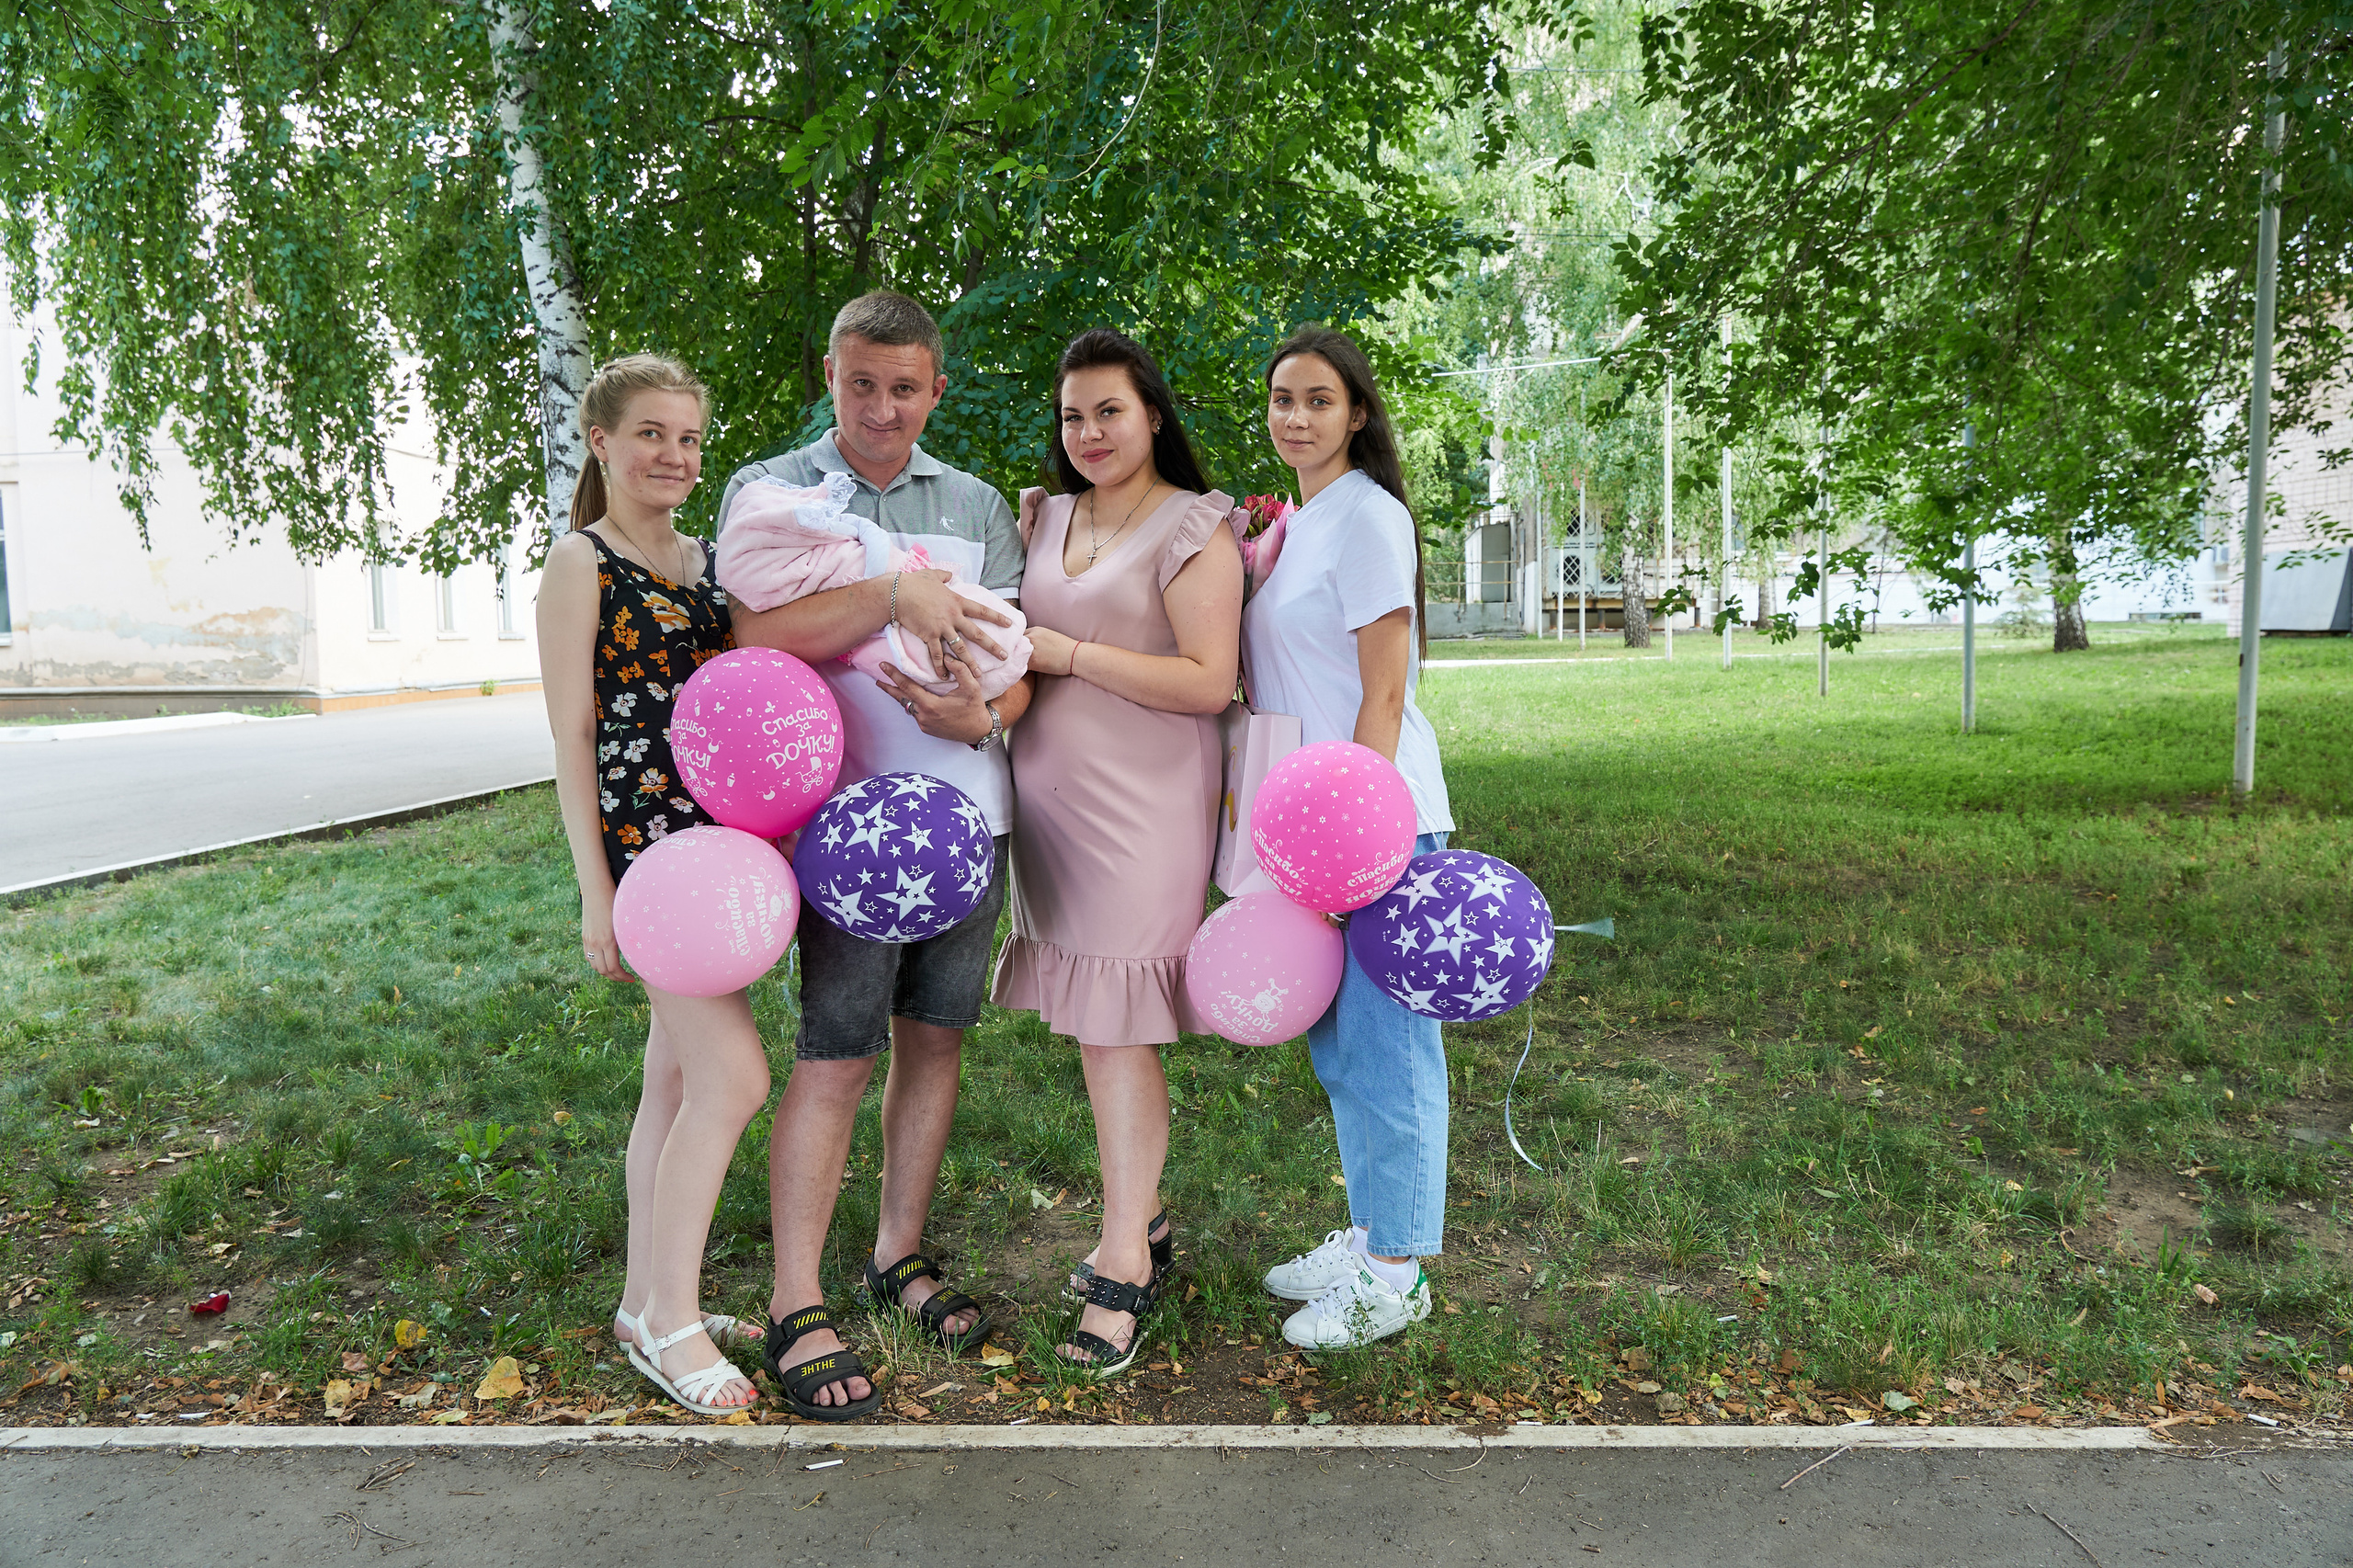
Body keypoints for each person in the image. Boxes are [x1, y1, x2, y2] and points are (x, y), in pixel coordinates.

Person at [721, 290, 1030, 1419]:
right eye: (861, 383)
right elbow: (752, 635)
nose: (882, 407)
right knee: (835, 1052)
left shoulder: (983, 506)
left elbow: (1019, 654)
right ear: (830, 372)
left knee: (934, 1041)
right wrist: (893, 592)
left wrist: (985, 719)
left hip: (968, 821)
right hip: (845, 836)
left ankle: (896, 1253)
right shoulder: (773, 491)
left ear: (934, 388)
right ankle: (794, 1299)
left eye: (905, 387)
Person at [990, 329, 1242, 1376]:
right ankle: (1142, 1217)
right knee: (1094, 1025)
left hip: (1146, 805)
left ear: (1152, 415)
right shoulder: (1044, 516)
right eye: (1071, 415)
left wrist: (1070, 653)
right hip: (1051, 799)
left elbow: (1206, 680)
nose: (1087, 432)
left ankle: (1126, 1255)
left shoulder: (1194, 526)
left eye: (1109, 411)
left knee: (1115, 1030)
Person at [537, 353, 764, 1415]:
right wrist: (598, 891)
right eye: (651, 436)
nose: (673, 455)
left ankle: (644, 1298)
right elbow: (572, 735)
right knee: (733, 1077)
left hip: (720, 849)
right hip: (648, 859)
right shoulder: (580, 561)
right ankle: (669, 1322)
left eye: (687, 438)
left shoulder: (712, 559)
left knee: (672, 1084)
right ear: (602, 442)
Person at [1242, 325, 1457, 1350]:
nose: (1296, 415)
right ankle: (1369, 1229)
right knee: (1342, 1049)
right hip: (1312, 822)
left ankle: (1397, 1269)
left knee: (1392, 1048)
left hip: (1375, 823)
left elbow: (1383, 689)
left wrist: (1354, 836)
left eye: (1318, 399)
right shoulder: (1303, 520)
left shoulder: (1369, 518)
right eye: (1283, 398)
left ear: (1356, 413)